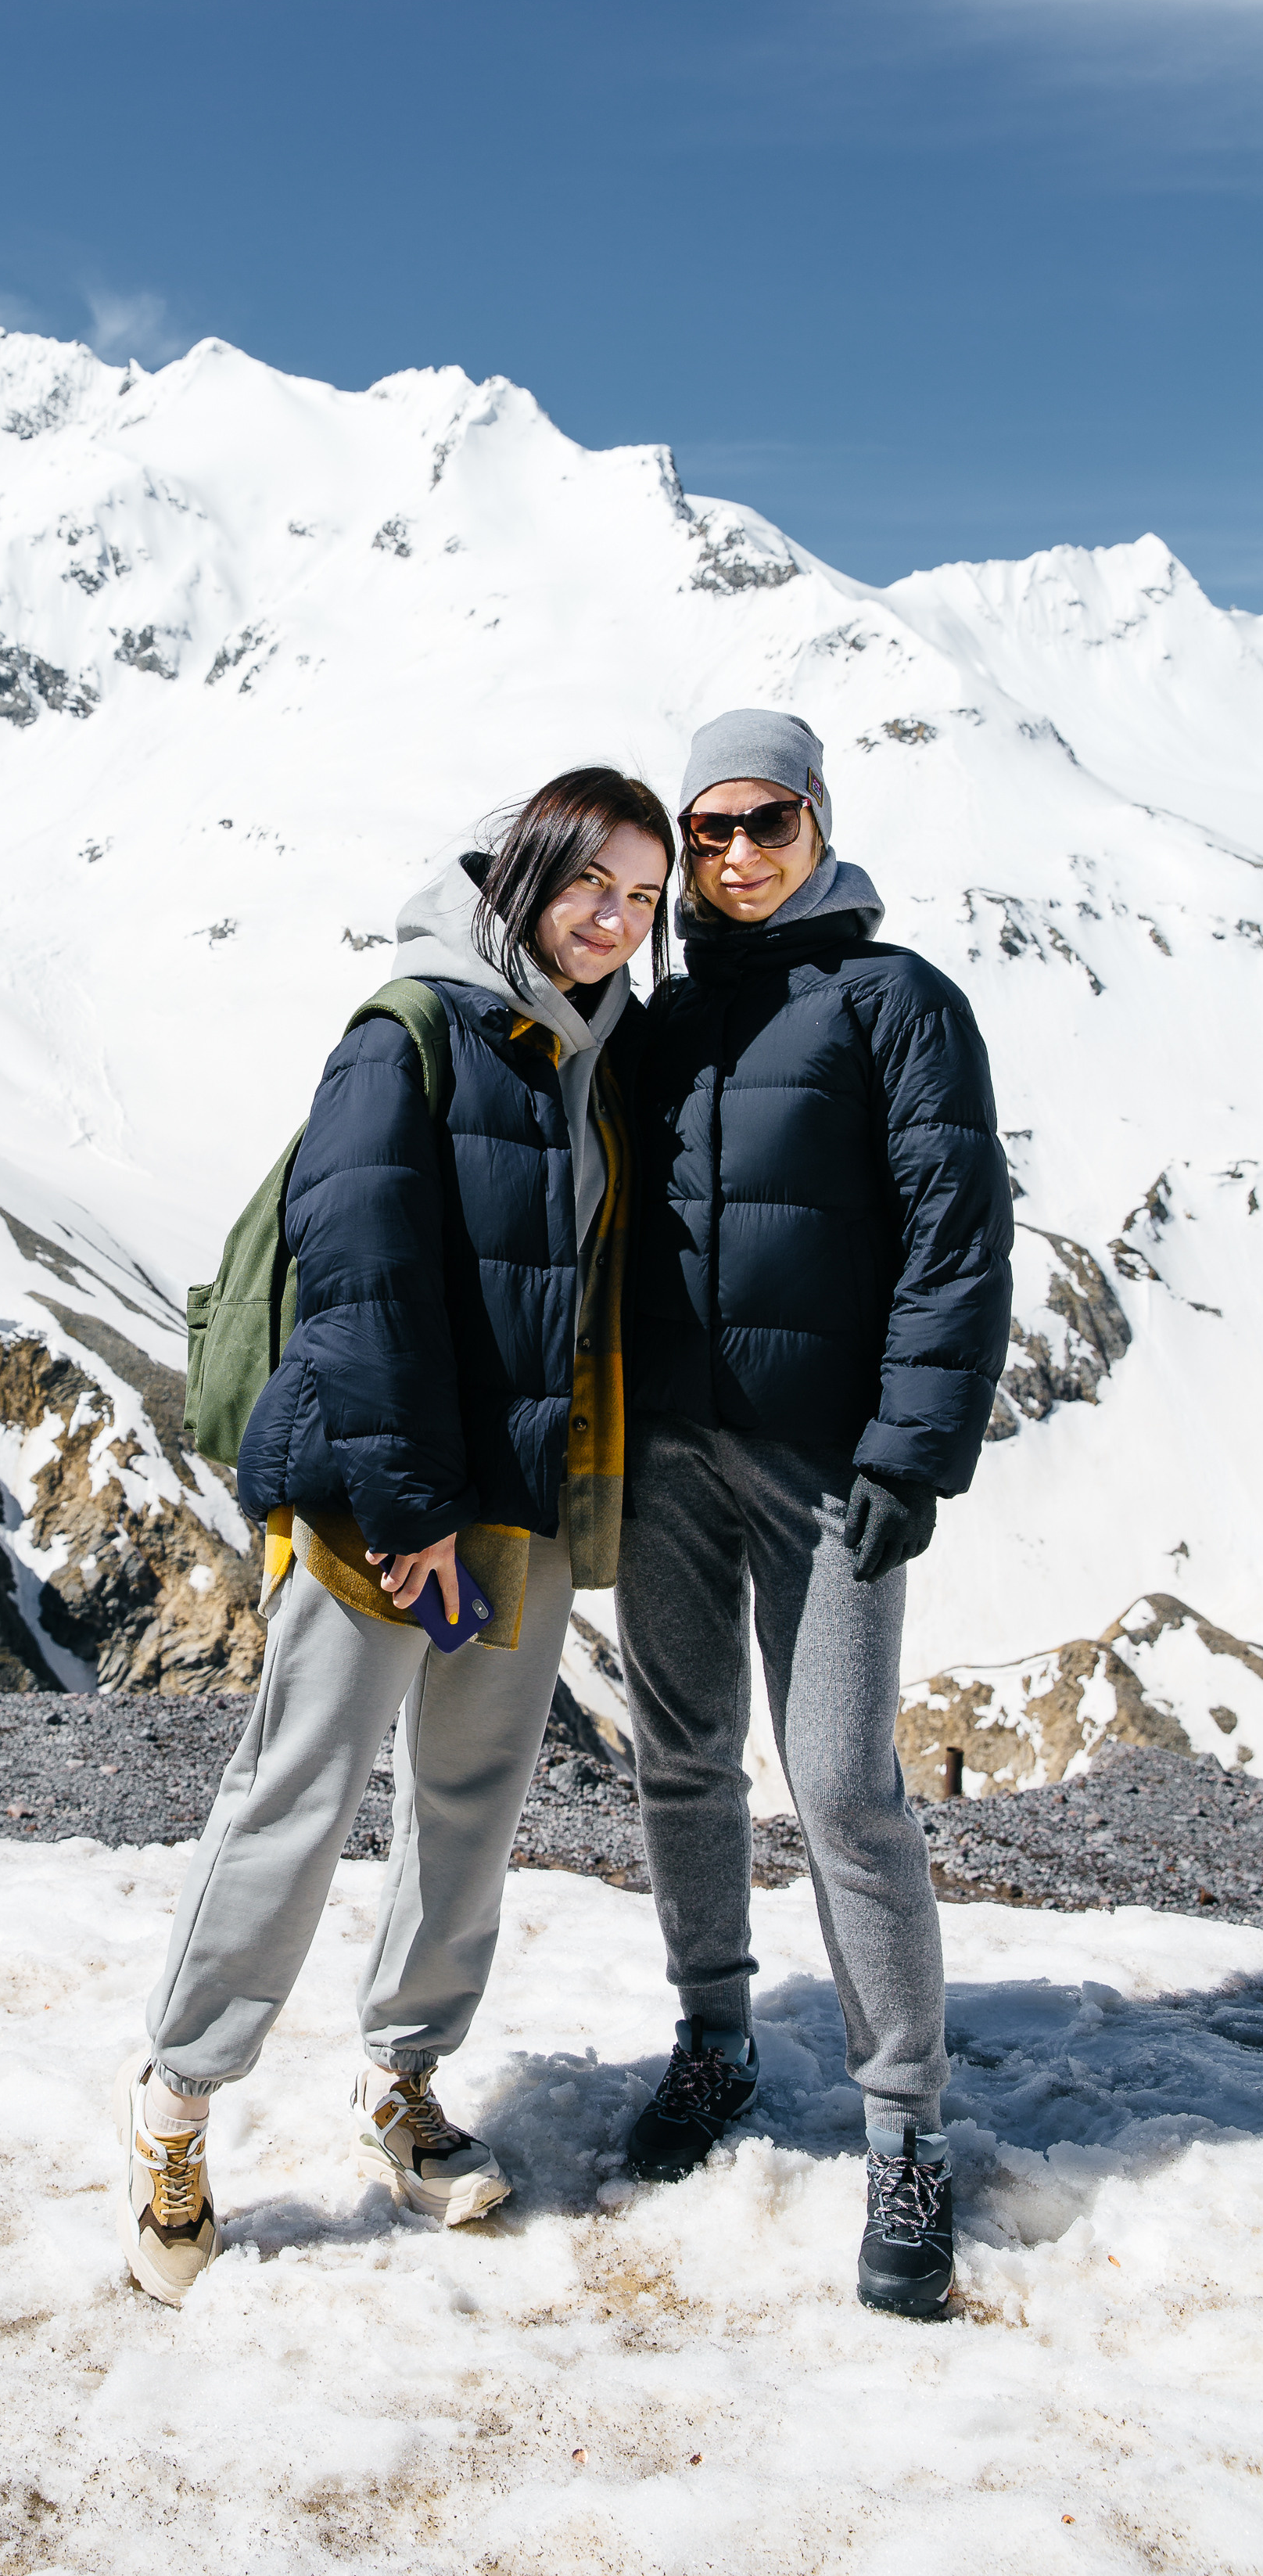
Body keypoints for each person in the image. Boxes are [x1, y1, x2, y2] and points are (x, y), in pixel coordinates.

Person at [116, 767, 676, 2304]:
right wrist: (410, 1508)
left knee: (470, 1801)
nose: (614, 921)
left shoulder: (591, 1052)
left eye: (640, 897)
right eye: (590, 885)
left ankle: (404, 2083)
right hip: (380, 1494)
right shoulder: (412, 1028)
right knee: (294, 1790)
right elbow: (356, 1276)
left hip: (520, 1498)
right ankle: (173, 2098)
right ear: (520, 872)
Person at [616, 708, 1012, 2320]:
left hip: (828, 1463)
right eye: (704, 832)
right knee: (679, 1758)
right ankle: (714, 2041)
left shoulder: (897, 1001)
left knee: (842, 1780)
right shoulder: (657, 1025)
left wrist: (913, 1450)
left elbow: (956, 1230)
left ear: (815, 820)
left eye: (759, 823)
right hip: (661, 1459)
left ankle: (903, 2129)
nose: (729, 855)